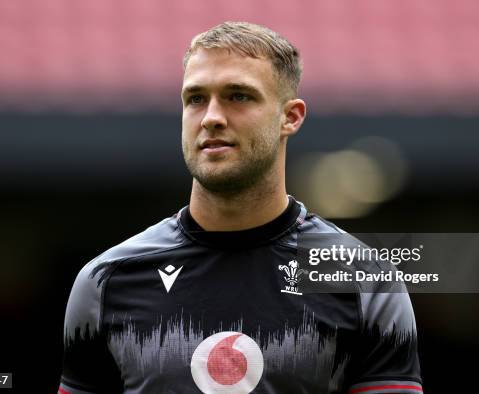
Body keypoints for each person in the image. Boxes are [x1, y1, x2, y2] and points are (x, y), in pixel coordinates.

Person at [58, 21, 423, 394]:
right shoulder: (107, 281)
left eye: (239, 96)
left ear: (290, 117)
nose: (212, 117)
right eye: (196, 98)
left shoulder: (365, 281)